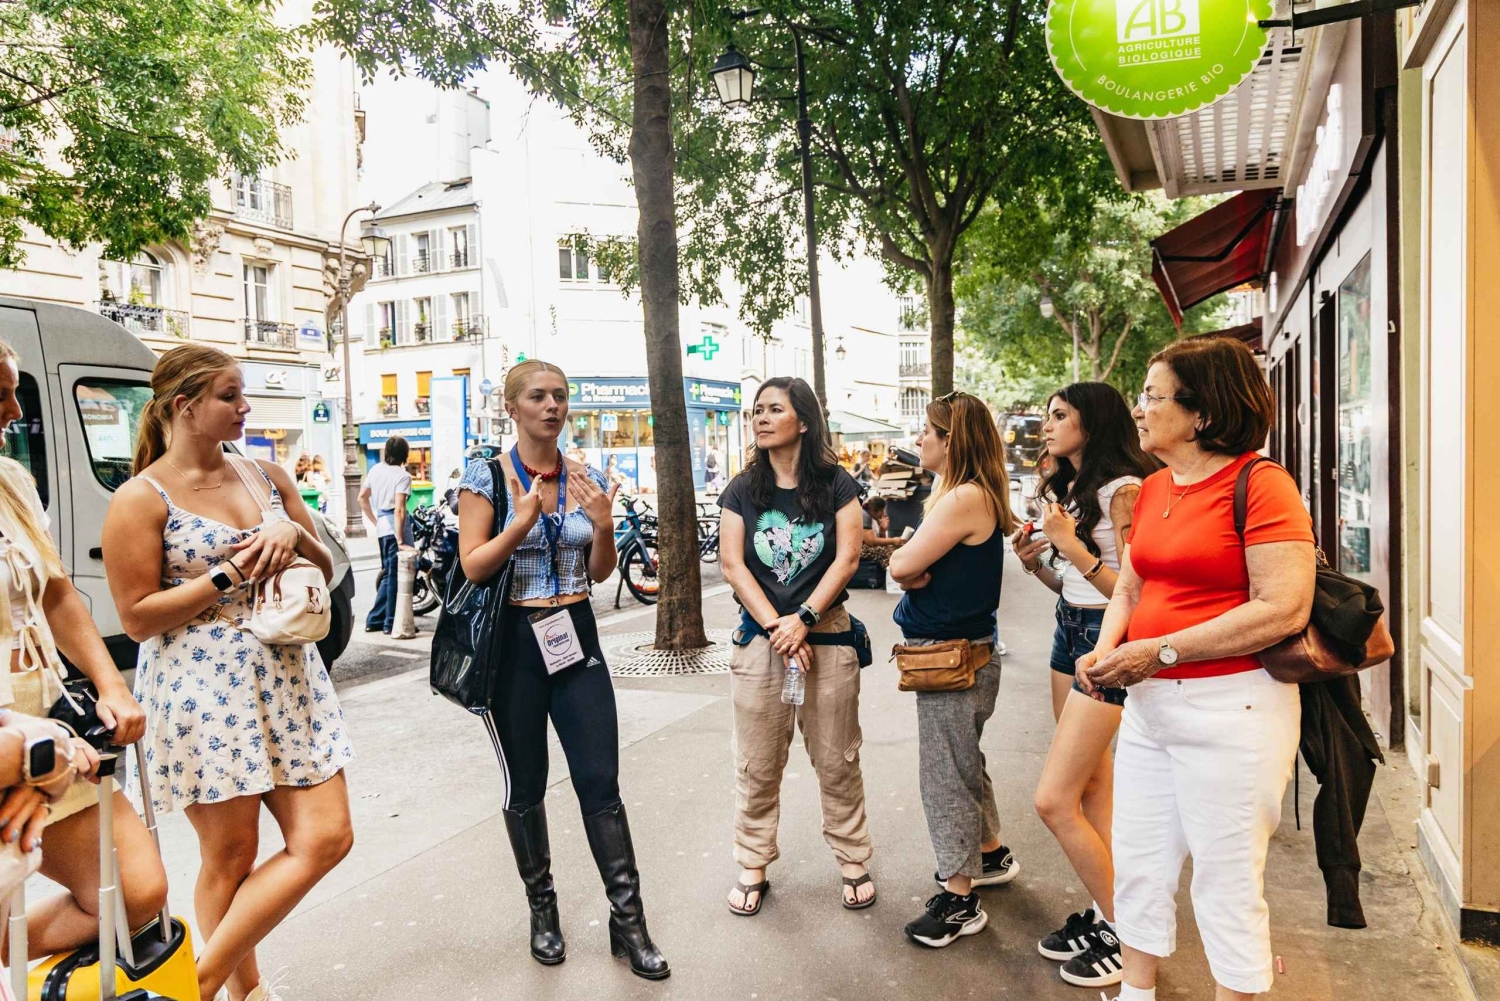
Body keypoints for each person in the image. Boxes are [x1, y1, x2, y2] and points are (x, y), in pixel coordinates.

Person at [102, 344, 354, 1001]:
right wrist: (232, 571)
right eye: (230, 396)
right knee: (231, 856)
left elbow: (326, 566)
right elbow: (135, 618)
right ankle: (248, 992)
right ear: (184, 407)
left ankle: (196, 983)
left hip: (288, 677)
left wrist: (295, 540)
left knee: (327, 836)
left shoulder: (267, 475)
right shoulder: (140, 497)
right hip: (200, 690)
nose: (245, 407)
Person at [1076, 337, 1315, 1001]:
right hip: (1152, 712)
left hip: (1233, 712)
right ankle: (1136, 992)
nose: (1140, 408)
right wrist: (1106, 649)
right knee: (1141, 865)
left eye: (1153, 395)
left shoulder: (1262, 485)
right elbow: (1129, 585)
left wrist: (1158, 650)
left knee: (1227, 878)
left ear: (1201, 411)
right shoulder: (1153, 488)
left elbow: (1284, 606)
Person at [456, 359, 668, 980]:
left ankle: (628, 922)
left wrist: (603, 526)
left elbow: (601, 573)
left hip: (576, 635)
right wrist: (518, 522)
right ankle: (542, 909)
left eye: (561, 397)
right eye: (539, 397)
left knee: (600, 781)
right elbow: (473, 566)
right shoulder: (485, 475)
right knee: (526, 784)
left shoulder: (585, 477)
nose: (553, 406)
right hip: (514, 647)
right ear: (513, 406)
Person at [0, 340, 167, 970]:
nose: (16, 410)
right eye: (1, 394)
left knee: (138, 890)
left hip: (39, 731)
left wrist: (111, 686)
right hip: (19, 744)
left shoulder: (11, 480)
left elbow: (56, 592)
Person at [1010, 382, 1157, 988]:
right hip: (1068, 632)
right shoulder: (1068, 488)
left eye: (1060, 415)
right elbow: (1072, 587)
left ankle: (1132, 935)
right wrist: (1037, 563)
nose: (1047, 426)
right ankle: (1106, 913)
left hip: (1108, 642)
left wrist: (1069, 543)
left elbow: (1135, 595)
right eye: (1047, 415)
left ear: (1092, 423)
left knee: (1055, 799)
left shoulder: (1123, 489)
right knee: (1093, 780)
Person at [717, 377, 873, 916]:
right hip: (761, 641)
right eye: (756, 410)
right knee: (758, 762)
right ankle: (753, 861)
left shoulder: (837, 483)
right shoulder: (742, 488)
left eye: (773, 409)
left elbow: (847, 558)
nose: (760, 418)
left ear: (802, 420)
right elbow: (733, 564)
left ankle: (853, 857)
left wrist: (803, 619)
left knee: (837, 758)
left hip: (826, 634)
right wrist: (779, 629)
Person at [887, 391, 1019, 948]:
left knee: (945, 773)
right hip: (967, 650)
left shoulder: (962, 496)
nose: (919, 440)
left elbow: (901, 563)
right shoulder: (973, 493)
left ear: (951, 440)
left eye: (927, 431)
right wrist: (914, 563)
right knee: (964, 758)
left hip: (951, 655)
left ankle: (961, 897)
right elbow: (912, 565)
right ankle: (989, 854)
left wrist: (911, 563)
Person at [360, 437, 415, 635]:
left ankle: (375, 619)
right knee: (395, 577)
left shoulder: (375, 470)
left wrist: (375, 521)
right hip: (395, 530)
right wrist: (401, 540)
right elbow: (399, 509)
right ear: (405, 453)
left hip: (382, 529)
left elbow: (362, 498)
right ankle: (391, 622)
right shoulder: (402, 476)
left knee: (387, 574)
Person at [859, 496, 905, 567]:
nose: (883, 514)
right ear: (874, 510)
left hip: (870, 548)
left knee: (893, 551)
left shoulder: (874, 518)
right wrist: (893, 540)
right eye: (882, 511)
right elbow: (870, 541)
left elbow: (881, 542)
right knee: (889, 555)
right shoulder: (865, 516)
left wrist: (883, 530)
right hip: (860, 550)